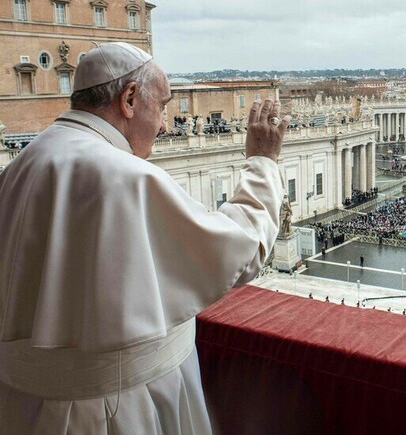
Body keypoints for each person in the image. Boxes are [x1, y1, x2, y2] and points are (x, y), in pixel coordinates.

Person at [0, 42, 291, 434]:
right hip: (119, 410)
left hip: (21, 406)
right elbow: (242, 249)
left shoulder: (22, 163)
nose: (166, 124)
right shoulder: (127, 177)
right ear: (130, 98)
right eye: (164, 105)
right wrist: (263, 162)